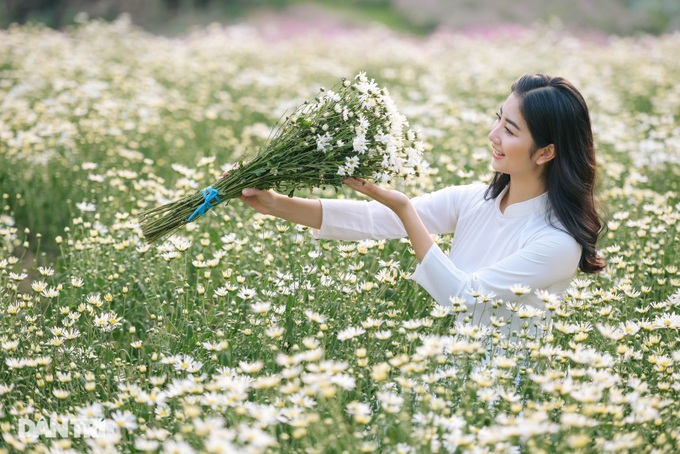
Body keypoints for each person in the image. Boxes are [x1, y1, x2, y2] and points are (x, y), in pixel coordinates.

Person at [230, 74, 606, 338]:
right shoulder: (475, 200)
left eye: (510, 130)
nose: (493, 135)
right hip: (448, 377)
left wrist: (407, 211)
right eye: (498, 120)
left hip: (506, 396)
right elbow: (373, 219)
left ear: (546, 152)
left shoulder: (557, 243)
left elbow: (465, 299)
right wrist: (276, 204)